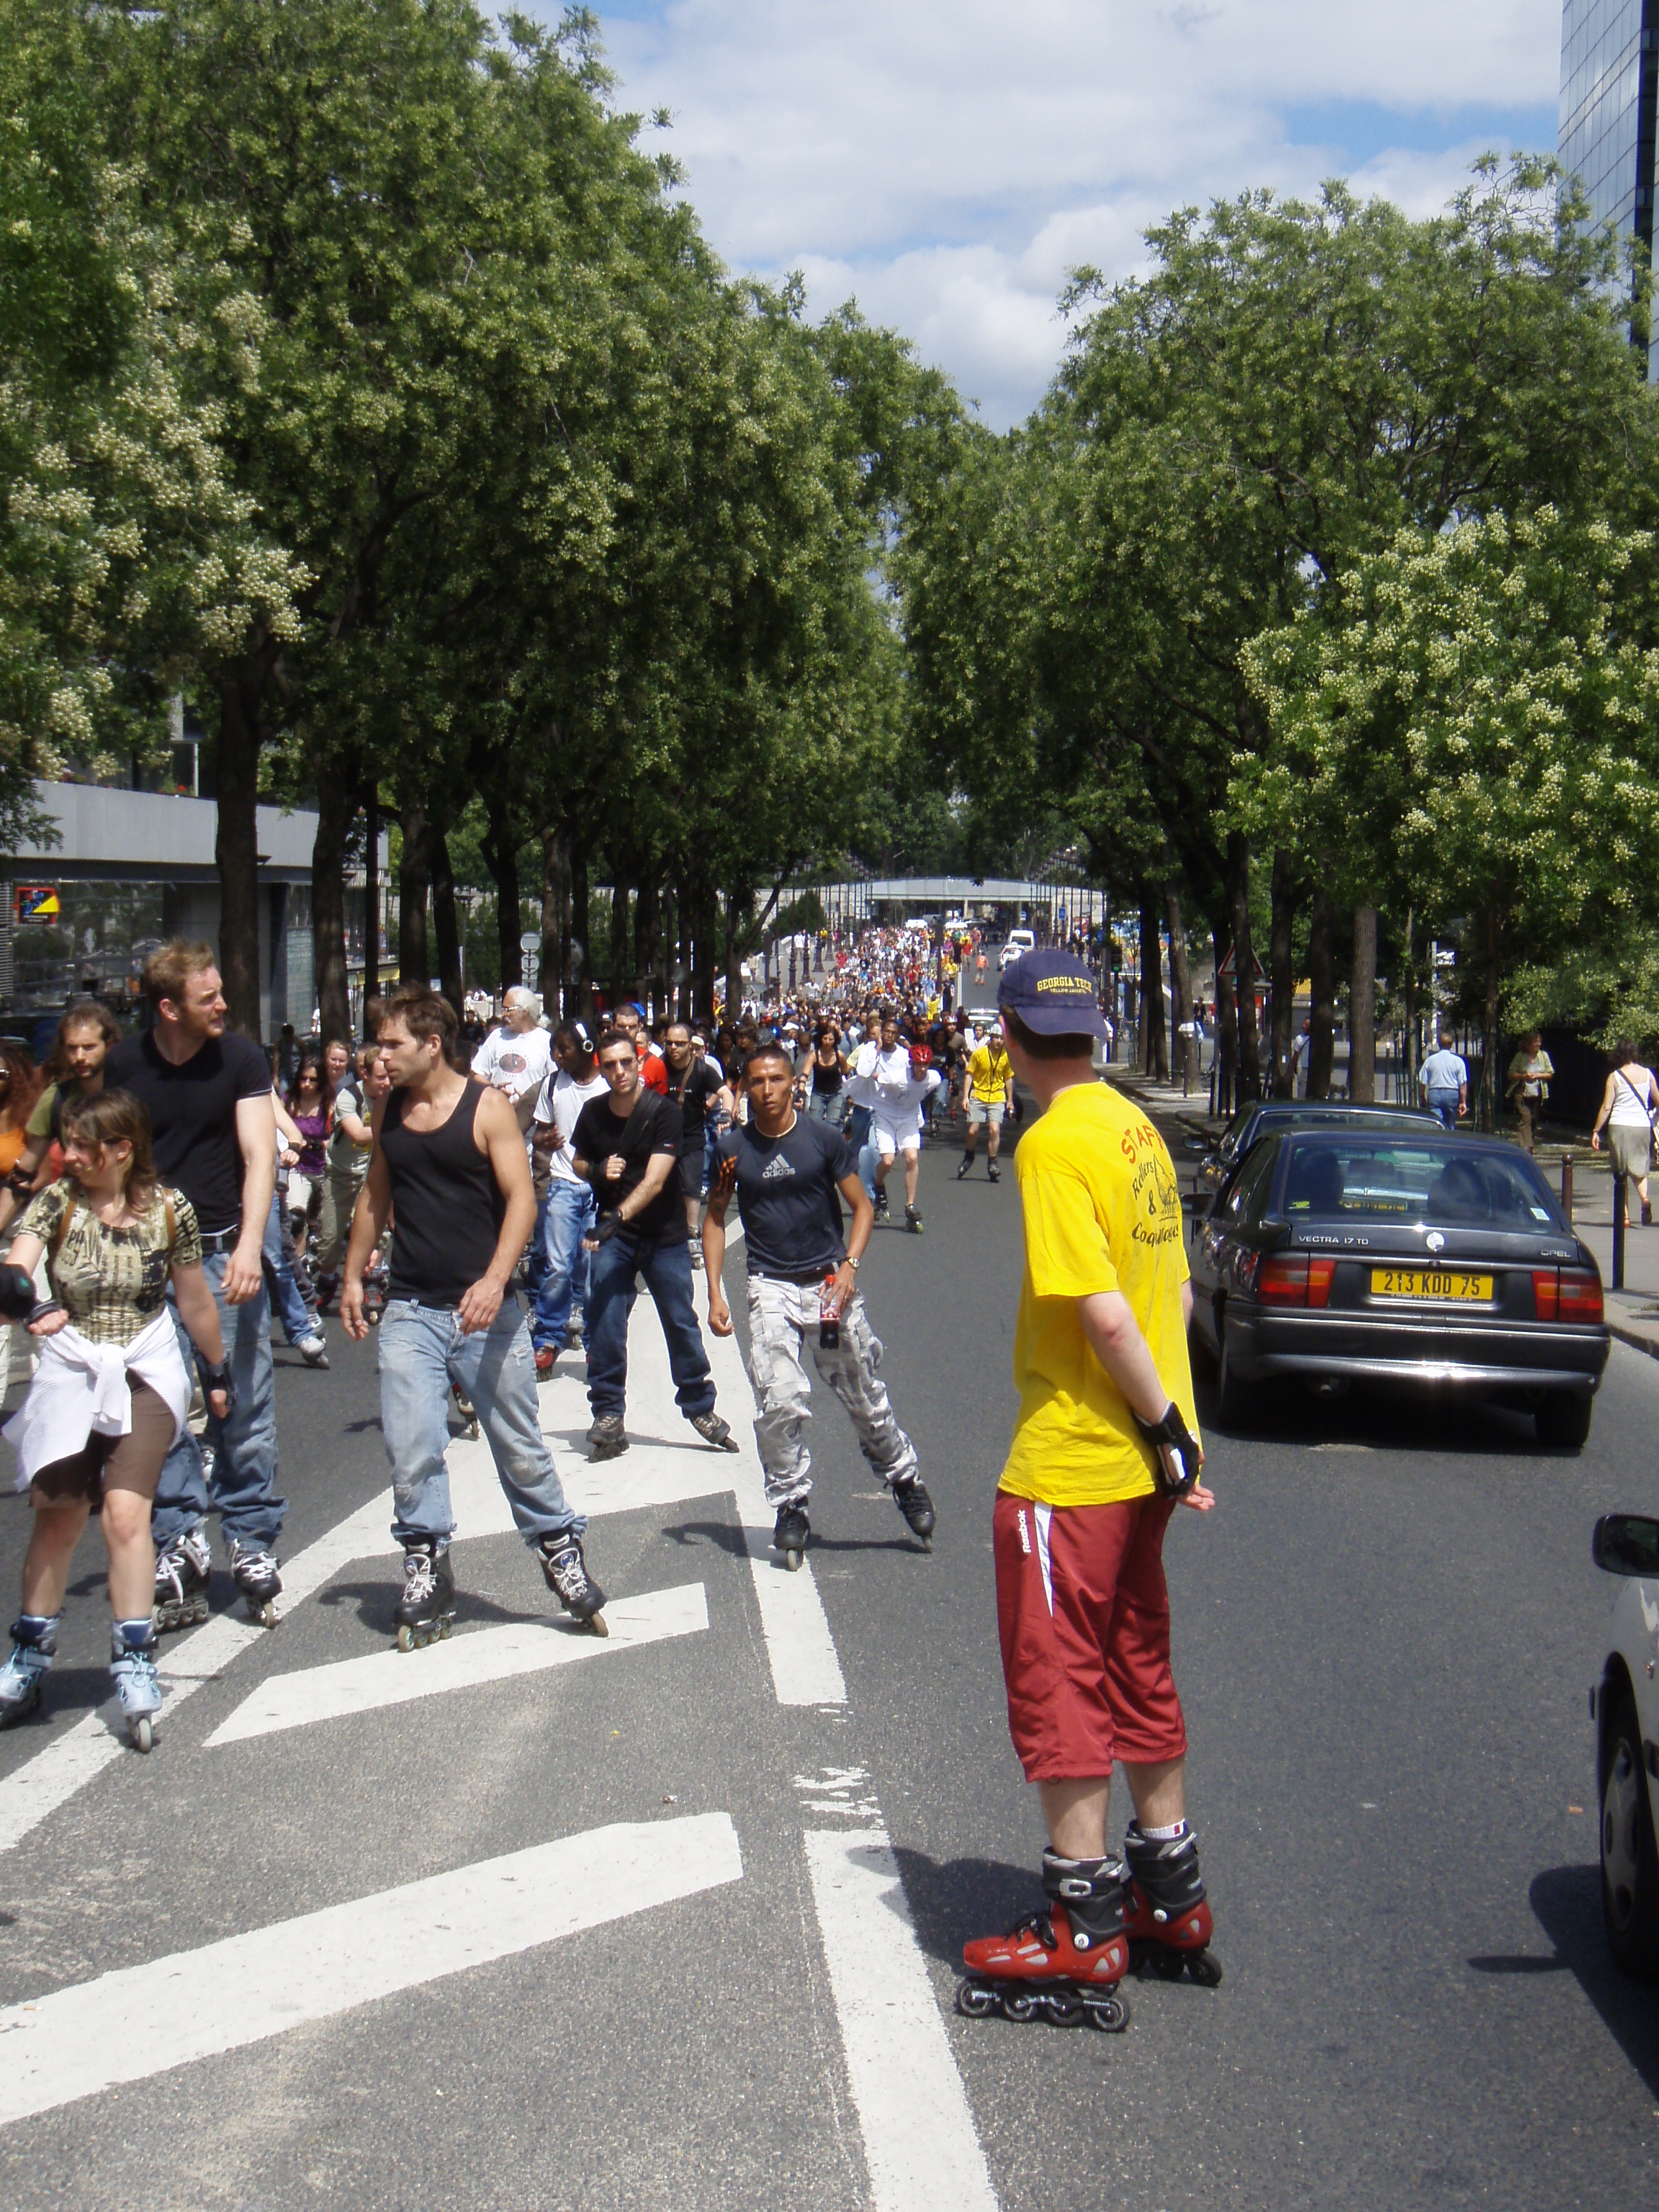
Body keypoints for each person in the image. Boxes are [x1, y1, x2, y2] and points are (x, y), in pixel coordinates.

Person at [957, 953, 1219, 2032]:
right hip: (1150, 1461)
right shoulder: (1133, 1127)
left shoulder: (1053, 1142)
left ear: (1011, 1035)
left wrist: (1153, 1420)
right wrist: (1179, 1439)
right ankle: (1172, 1892)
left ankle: (1083, 1923)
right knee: (1136, 1661)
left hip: (1075, 1461)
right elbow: (1181, 1285)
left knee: (1058, 1678)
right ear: (1095, 1032)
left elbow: (1104, 1312)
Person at [340, 986, 606, 1643]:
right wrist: (351, 1273)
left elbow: (522, 1201)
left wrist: (495, 1281)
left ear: (432, 1045)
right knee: (412, 1447)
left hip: (488, 1312)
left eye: (393, 1043)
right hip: (411, 1307)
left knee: (518, 1447)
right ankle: (427, 1560)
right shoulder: (390, 1108)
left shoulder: (487, 1108)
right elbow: (377, 1193)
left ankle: (558, 1550)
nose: (381, 1055)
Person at [0, 1089, 232, 1748]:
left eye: (80, 1144)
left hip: (145, 1369)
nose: (64, 1154)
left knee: (126, 1515)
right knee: (60, 1517)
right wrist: (21, 1298)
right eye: (65, 1141)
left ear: (121, 1150)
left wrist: (217, 1373)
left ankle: (133, 1655)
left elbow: (194, 1298)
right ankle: (29, 1655)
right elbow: (18, 1264)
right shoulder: (56, 1202)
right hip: (72, 1367)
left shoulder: (168, 1210)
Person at [106, 943, 282, 1632]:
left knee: (240, 1399)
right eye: (209, 997)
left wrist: (247, 1244)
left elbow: (259, 1153)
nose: (224, 1005)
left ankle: (251, 1535)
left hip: (218, 1253)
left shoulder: (239, 1058)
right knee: (162, 1406)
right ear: (169, 1007)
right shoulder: (125, 1065)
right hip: (148, 1264)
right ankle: (179, 1535)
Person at [703, 1041, 932, 1567]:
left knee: (864, 1399)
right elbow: (715, 1217)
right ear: (746, 1087)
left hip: (828, 1285)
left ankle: (903, 1478)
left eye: (776, 1080)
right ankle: (791, 1505)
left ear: (792, 1084)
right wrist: (715, 1291)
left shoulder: (824, 1139)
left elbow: (862, 1206)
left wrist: (849, 1267)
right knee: (779, 1401)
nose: (767, 1091)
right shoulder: (731, 1150)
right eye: (756, 1082)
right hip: (770, 1285)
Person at [571, 1029, 738, 1462]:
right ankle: (608, 1413)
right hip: (616, 1239)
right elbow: (578, 1160)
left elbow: (657, 1178)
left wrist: (617, 1215)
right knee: (604, 1321)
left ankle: (699, 1407)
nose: (619, 1072)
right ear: (601, 1068)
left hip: (661, 1238)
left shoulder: (664, 1112)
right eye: (609, 1065)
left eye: (627, 1062)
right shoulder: (591, 1113)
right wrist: (596, 1170)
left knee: (681, 1322)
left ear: (639, 1061)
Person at [0, 1001, 120, 1236]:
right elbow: (24, 1174)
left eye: (89, 1047)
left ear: (110, 1046)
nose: (80, 1056)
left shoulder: (132, 1091)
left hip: (134, 1211)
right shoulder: (56, 1098)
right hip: (82, 1218)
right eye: (72, 1048)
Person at [529, 1022, 608, 1372]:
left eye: (564, 1049)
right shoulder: (552, 1085)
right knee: (558, 1267)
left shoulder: (609, 1084)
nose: (557, 1056)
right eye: (554, 1050)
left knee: (593, 1270)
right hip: (562, 1184)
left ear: (588, 1047)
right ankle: (548, 1336)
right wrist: (543, 1142)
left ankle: (595, 1341)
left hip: (599, 1187)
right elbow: (540, 1134)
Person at [311, 1043, 379, 1309]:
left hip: (371, 1173)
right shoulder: (349, 1097)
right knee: (329, 1241)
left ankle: (373, 1280)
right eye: (381, 1077)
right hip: (340, 1173)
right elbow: (359, 1134)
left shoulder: (395, 1096)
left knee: (379, 1235)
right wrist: (399, 1129)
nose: (386, 1083)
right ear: (366, 1075)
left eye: (390, 1077)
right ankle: (328, 1279)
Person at [661, 1022, 731, 1268]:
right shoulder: (657, 1066)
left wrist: (727, 1114)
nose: (673, 1048)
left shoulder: (702, 1069)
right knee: (661, 1187)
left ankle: (692, 1235)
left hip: (691, 1138)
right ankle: (662, 1237)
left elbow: (726, 1092)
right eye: (669, 1042)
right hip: (662, 1139)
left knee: (692, 1188)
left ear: (691, 1045)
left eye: (679, 1044)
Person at [1591, 1039, 1659, 1228]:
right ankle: (1644, 1199)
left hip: (1619, 1125)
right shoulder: (1648, 1074)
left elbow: (1606, 1107)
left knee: (1621, 1172)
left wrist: (1596, 1130)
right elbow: (1657, 1099)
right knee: (1640, 1169)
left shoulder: (1615, 1077)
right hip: (1641, 1125)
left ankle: (1625, 1217)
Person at [472, 987, 552, 1137]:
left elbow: (554, 1085)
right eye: (503, 1009)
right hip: (494, 1125)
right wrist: (493, 1088)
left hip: (530, 1130)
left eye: (508, 1010)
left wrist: (528, 1103)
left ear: (526, 1011)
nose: (503, 1014)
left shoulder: (546, 1041)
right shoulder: (497, 1037)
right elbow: (476, 1073)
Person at [283, 1051, 331, 1251]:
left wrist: (317, 1144)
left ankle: (323, 1265)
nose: (307, 1084)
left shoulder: (329, 1101)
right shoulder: (289, 1100)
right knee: (296, 1219)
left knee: (324, 1225)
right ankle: (300, 1264)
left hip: (324, 1169)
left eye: (312, 1080)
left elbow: (337, 1138)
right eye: (303, 1078)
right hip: (298, 1167)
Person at [958, 1021, 1015, 1182]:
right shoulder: (979, 1054)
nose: (999, 1041)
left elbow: (1008, 1078)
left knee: (994, 1129)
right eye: (996, 1038)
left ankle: (992, 1162)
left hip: (997, 1096)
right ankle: (969, 1156)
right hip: (979, 1095)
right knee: (972, 1131)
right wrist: (966, 1097)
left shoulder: (1006, 1056)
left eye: (1001, 1038)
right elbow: (969, 1075)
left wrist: (1010, 1101)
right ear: (990, 1038)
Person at [1507, 1031, 1554, 1154]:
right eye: (1535, 1042)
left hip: (1537, 1093)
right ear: (1528, 1044)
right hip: (1521, 1091)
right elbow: (1511, 1074)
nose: (1538, 1044)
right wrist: (1524, 1076)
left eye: (1539, 1042)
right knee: (1526, 1118)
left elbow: (1550, 1073)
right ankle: (1527, 1147)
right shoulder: (1520, 1056)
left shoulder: (1543, 1056)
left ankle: (1529, 1142)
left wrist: (1538, 1075)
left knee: (1533, 1119)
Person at [1417, 1028, 1468, 1129]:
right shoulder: (1458, 1061)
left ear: (1439, 1045)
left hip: (1434, 1093)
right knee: (1450, 1124)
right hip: (1452, 1093)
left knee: (1435, 1123)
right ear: (1451, 1045)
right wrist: (1463, 1102)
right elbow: (1462, 1084)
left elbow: (1422, 1081)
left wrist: (1422, 1096)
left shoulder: (1430, 1060)